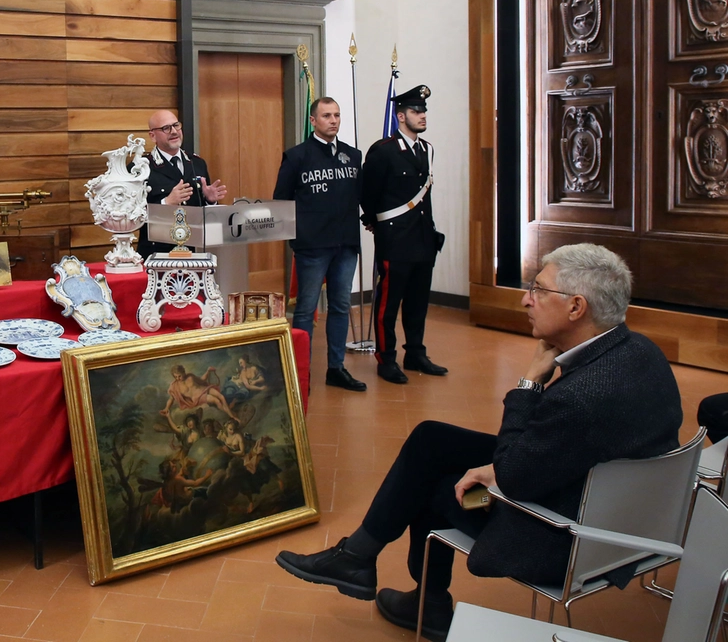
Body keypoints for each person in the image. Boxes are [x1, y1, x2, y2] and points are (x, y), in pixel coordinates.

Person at [274, 243, 683, 641]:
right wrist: (500, 465)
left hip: (560, 530)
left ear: (577, 307)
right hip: (612, 506)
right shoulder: (641, 351)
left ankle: (418, 597)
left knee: (437, 487)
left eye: (539, 290)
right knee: (432, 440)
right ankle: (360, 558)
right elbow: (559, 447)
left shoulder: (583, 397)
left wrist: (529, 383)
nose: (526, 300)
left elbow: (516, 477)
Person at [273, 97, 366, 391]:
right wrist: (295, 239)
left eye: (337, 115)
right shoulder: (297, 156)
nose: (334, 120)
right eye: (327, 115)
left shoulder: (353, 156)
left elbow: (361, 196)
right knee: (305, 309)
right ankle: (300, 372)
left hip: (346, 243)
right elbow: (282, 200)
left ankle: (336, 368)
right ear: (313, 121)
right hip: (312, 246)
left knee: (340, 306)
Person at [361, 85, 447, 384]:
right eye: (415, 111)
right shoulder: (383, 151)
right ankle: (386, 359)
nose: (422, 115)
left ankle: (416, 354)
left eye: (423, 111)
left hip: (423, 238)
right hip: (395, 239)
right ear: (400, 116)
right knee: (388, 304)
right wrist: (375, 222)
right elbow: (367, 192)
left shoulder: (427, 150)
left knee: (417, 301)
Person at [137, 110, 228, 257]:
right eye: (166, 128)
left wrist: (210, 201)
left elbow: (203, 213)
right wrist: (166, 203)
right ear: (152, 136)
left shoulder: (197, 163)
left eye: (176, 125)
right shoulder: (141, 168)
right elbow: (132, 215)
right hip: (159, 254)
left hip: (196, 251)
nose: (173, 132)